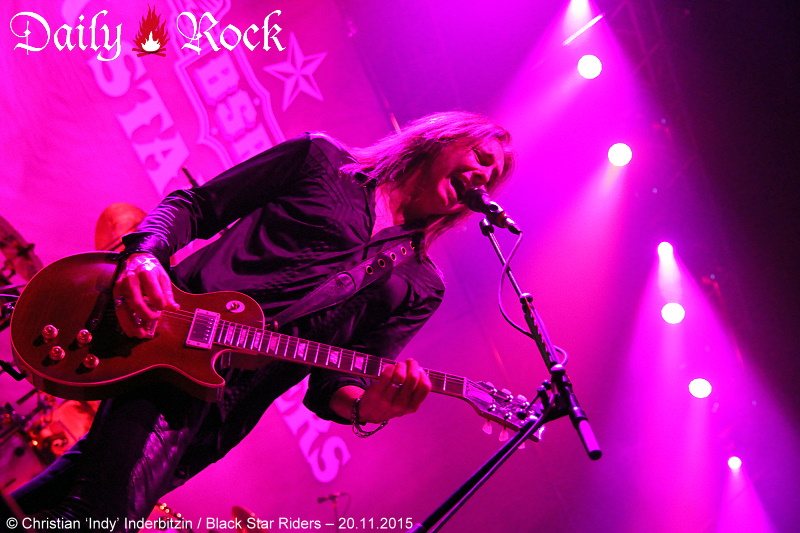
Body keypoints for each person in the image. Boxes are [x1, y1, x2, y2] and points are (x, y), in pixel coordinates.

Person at [10, 111, 514, 532]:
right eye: (481, 157)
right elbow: (197, 206)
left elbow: (332, 386)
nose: (483, 177)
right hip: (168, 337)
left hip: (223, 413)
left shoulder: (420, 285)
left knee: (67, 497)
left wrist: (370, 407)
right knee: (102, 514)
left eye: (493, 178)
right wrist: (144, 255)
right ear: (441, 139)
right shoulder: (321, 160)